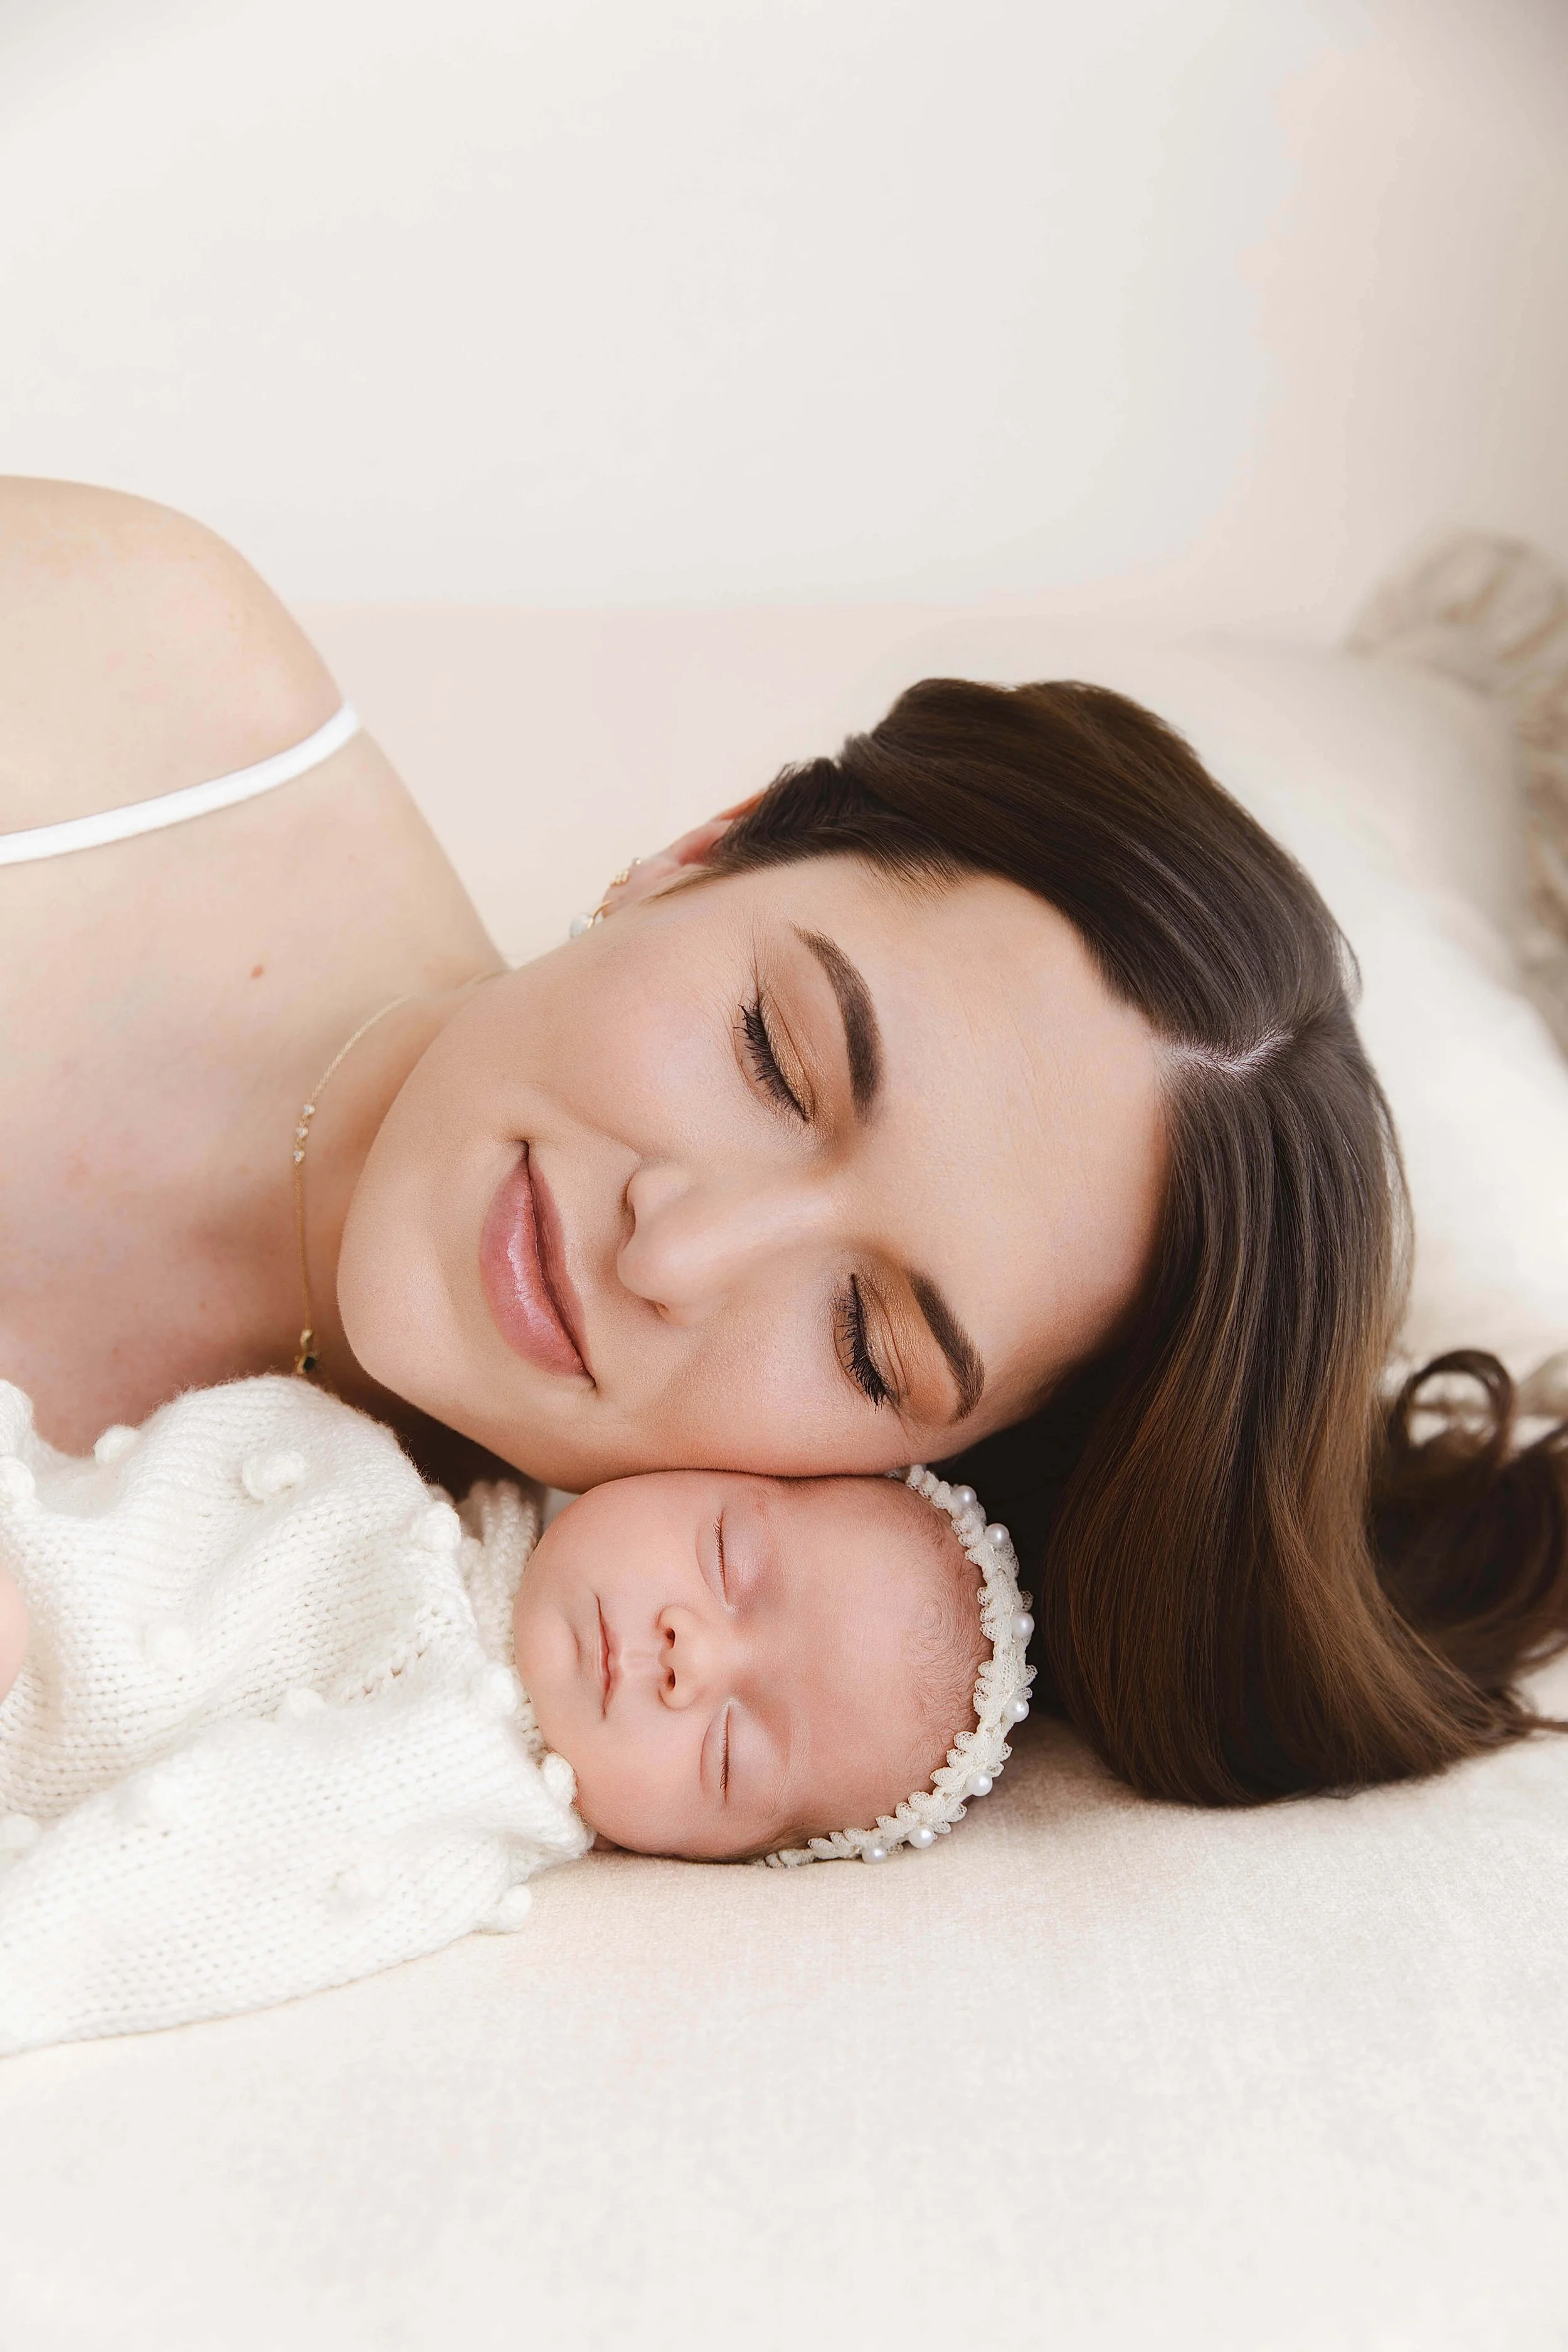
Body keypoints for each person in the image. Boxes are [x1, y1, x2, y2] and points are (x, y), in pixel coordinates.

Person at [1, 477, 1564, 1816]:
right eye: (771, 1055)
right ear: (702, 848)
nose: (673, 1253)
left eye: (865, 1342)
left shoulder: (494, 1672)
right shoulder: (132, 680)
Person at [0, 1372, 1032, 2052]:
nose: (693, 1653)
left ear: (710, 1854)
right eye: (730, 1558)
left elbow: (174, 1890)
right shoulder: (416, 1477)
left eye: (732, 1751)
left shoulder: (448, 1776)